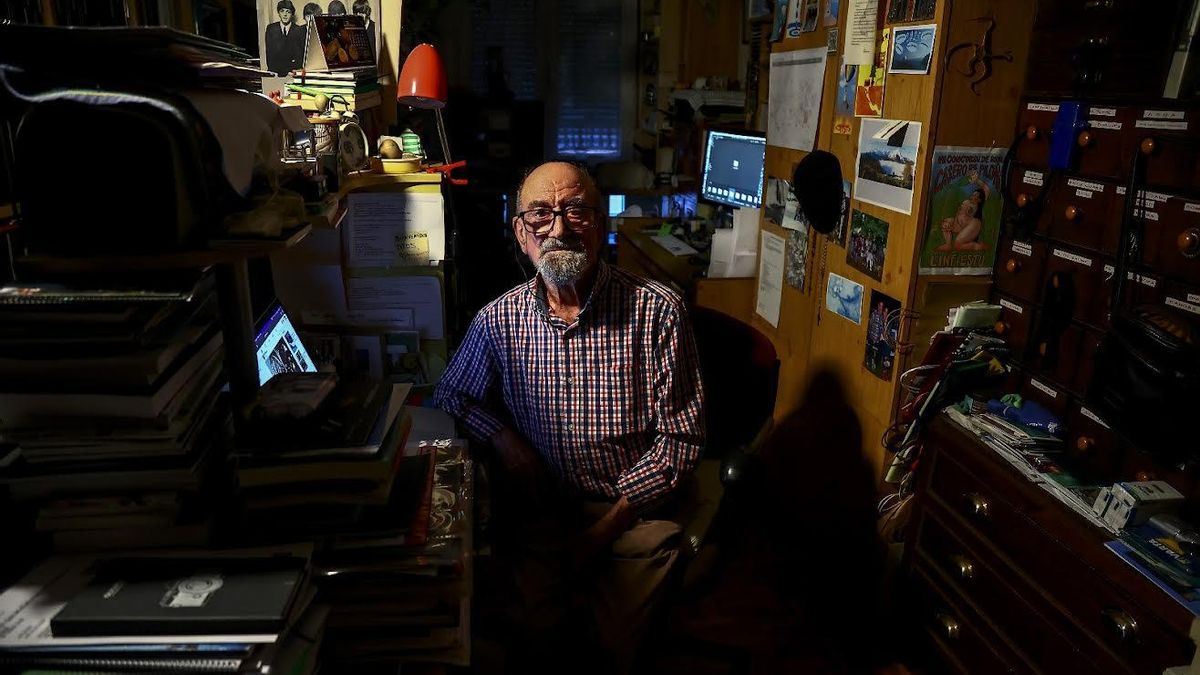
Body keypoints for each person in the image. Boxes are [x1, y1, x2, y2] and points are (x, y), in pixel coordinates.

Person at [433, 161, 705, 673]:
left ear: (600, 224)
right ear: (521, 233)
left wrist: (602, 532)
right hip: (546, 513)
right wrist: (506, 442)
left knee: (610, 651)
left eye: (575, 211)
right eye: (541, 215)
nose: (558, 229)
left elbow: (681, 440)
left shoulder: (658, 312)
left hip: (634, 515)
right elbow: (451, 394)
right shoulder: (499, 320)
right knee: (533, 644)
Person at [937, 171, 990, 251]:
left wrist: (977, 181)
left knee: (958, 245)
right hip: (958, 224)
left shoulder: (977, 207)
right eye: (973, 194)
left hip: (970, 227)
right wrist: (951, 222)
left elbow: (986, 189)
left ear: (979, 200)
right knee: (945, 224)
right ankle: (948, 244)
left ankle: (978, 246)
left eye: (976, 195)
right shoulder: (966, 202)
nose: (973, 196)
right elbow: (958, 213)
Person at [263, 0, 305, 75]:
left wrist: (293, 71)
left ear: (292, 14)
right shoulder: (271, 29)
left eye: (288, 12)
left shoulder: (298, 30)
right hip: (275, 73)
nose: (285, 14)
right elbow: (269, 54)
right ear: (278, 13)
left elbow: (300, 56)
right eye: (282, 11)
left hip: (293, 73)